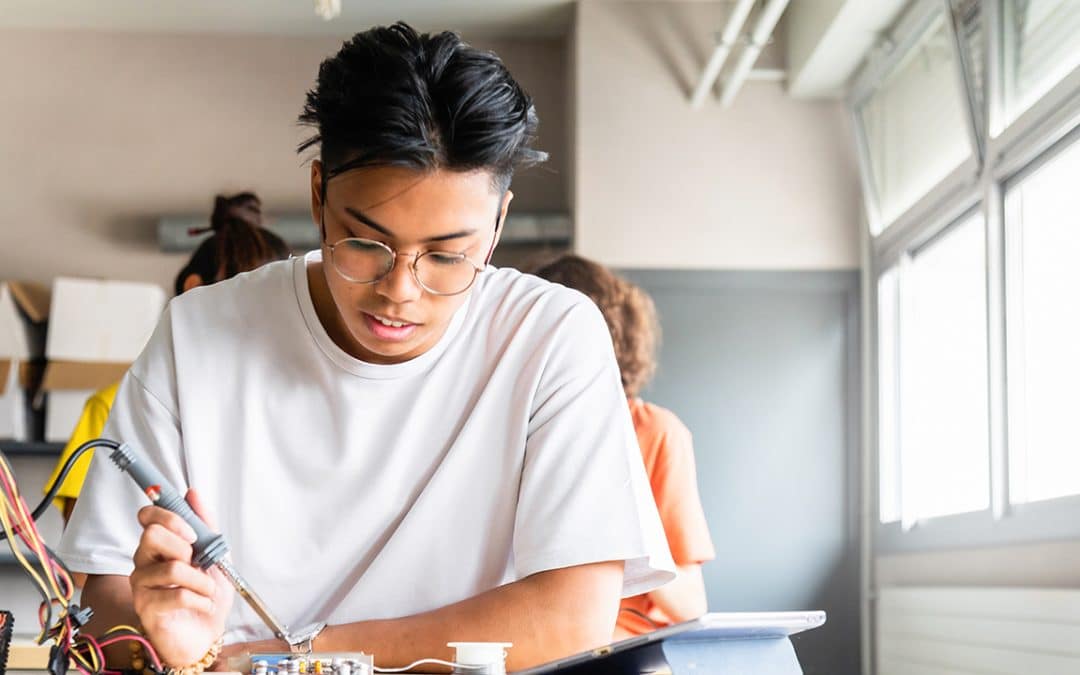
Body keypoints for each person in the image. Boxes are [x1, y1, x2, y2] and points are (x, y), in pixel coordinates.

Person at [57, 23, 673, 673]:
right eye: (366, 243)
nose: (400, 291)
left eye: (446, 255)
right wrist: (162, 636)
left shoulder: (550, 337)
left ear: (496, 225)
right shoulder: (197, 335)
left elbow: (572, 615)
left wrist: (282, 657)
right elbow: (101, 603)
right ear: (320, 195)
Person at [44, 193, 290, 525]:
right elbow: (87, 565)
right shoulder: (115, 405)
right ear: (194, 290)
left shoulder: (289, 403)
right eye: (247, 300)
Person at [532, 254, 716, 640]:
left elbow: (690, 604)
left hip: (625, 648)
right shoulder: (513, 430)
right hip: (536, 637)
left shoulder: (658, 433)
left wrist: (624, 536)